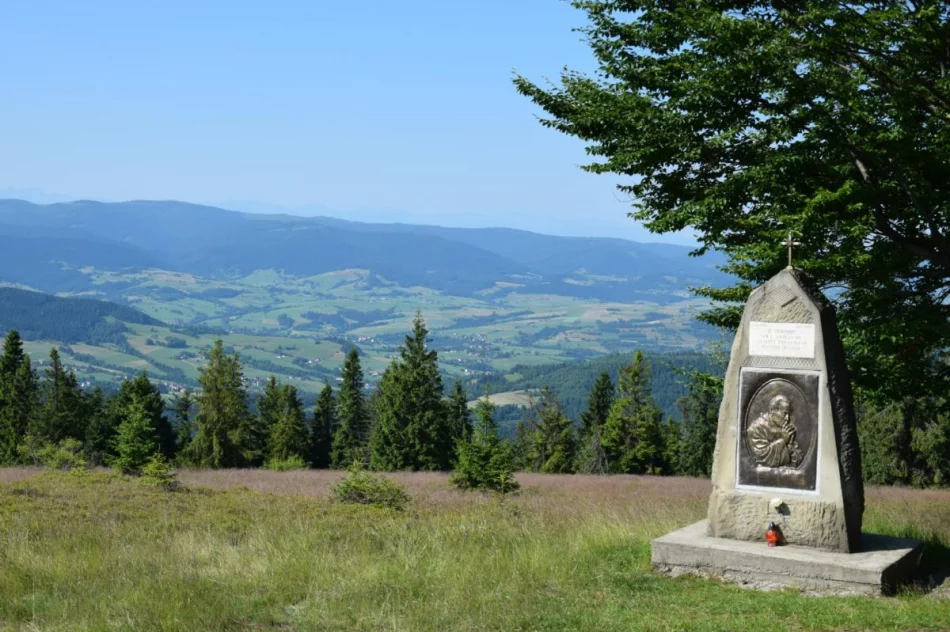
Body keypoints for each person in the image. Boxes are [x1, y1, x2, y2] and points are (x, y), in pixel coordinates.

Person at [747, 394, 802, 468]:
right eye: (784, 413)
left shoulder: (784, 428)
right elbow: (760, 457)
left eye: (789, 414)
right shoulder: (756, 429)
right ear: (772, 411)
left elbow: (797, 459)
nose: (787, 418)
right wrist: (783, 441)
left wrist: (789, 444)